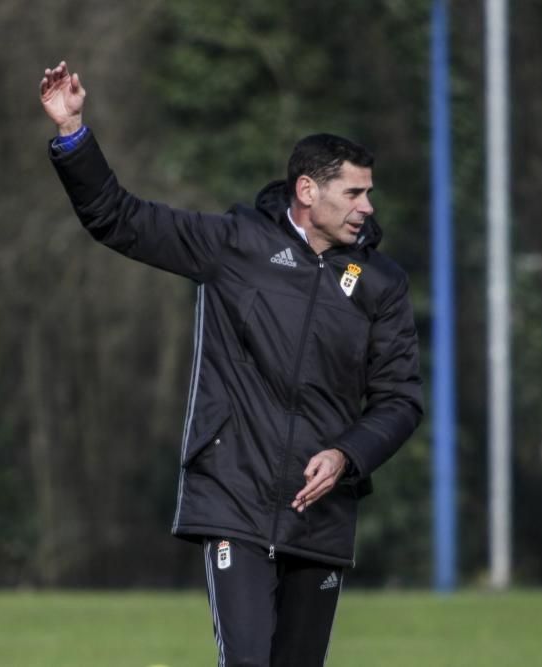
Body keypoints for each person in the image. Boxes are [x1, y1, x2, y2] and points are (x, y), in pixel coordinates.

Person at [39, 61, 423, 666]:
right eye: (354, 192)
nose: (367, 207)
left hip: (318, 512)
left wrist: (348, 454)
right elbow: (119, 218)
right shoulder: (234, 245)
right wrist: (72, 134)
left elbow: (401, 399)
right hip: (234, 501)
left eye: (368, 192)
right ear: (307, 191)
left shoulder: (382, 283)